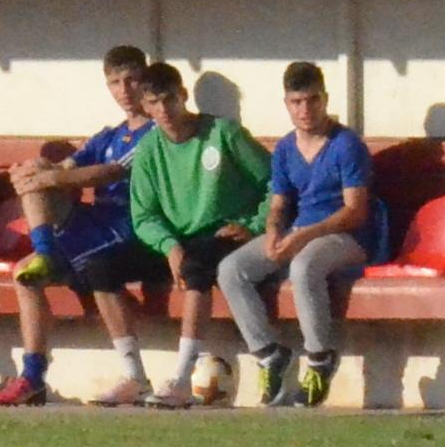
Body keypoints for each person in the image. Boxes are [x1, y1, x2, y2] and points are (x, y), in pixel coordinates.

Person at [0, 44, 162, 407]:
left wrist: (49, 178)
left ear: (145, 81)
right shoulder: (108, 135)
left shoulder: (154, 132)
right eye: (115, 82)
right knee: (25, 271)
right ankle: (32, 376)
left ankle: (134, 376)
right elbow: (68, 166)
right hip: (94, 226)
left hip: (126, 227)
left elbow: (110, 171)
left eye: (131, 80)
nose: (124, 90)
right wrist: (34, 172)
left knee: (44, 179)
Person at [225, 60, 373, 410]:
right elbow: (279, 203)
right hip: (299, 231)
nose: (305, 110)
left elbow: (355, 210)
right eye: (297, 102)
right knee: (232, 269)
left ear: (325, 99)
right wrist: (275, 230)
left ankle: (320, 358)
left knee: (304, 266)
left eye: (312, 100)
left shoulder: (346, 144)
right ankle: (268, 353)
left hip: (345, 237)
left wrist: (303, 236)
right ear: (286, 104)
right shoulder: (286, 149)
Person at [125, 60, 270, 408]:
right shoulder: (147, 149)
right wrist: (168, 245)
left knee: (196, 265)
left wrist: (254, 224)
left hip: (223, 235)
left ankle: (180, 376)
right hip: (177, 240)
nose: (164, 110)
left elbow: (274, 183)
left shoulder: (224, 133)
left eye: (170, 100)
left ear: (184, 96)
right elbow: (143, 215)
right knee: (100, 267)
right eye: (154, 103)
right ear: (144, 106)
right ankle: (132, 374)